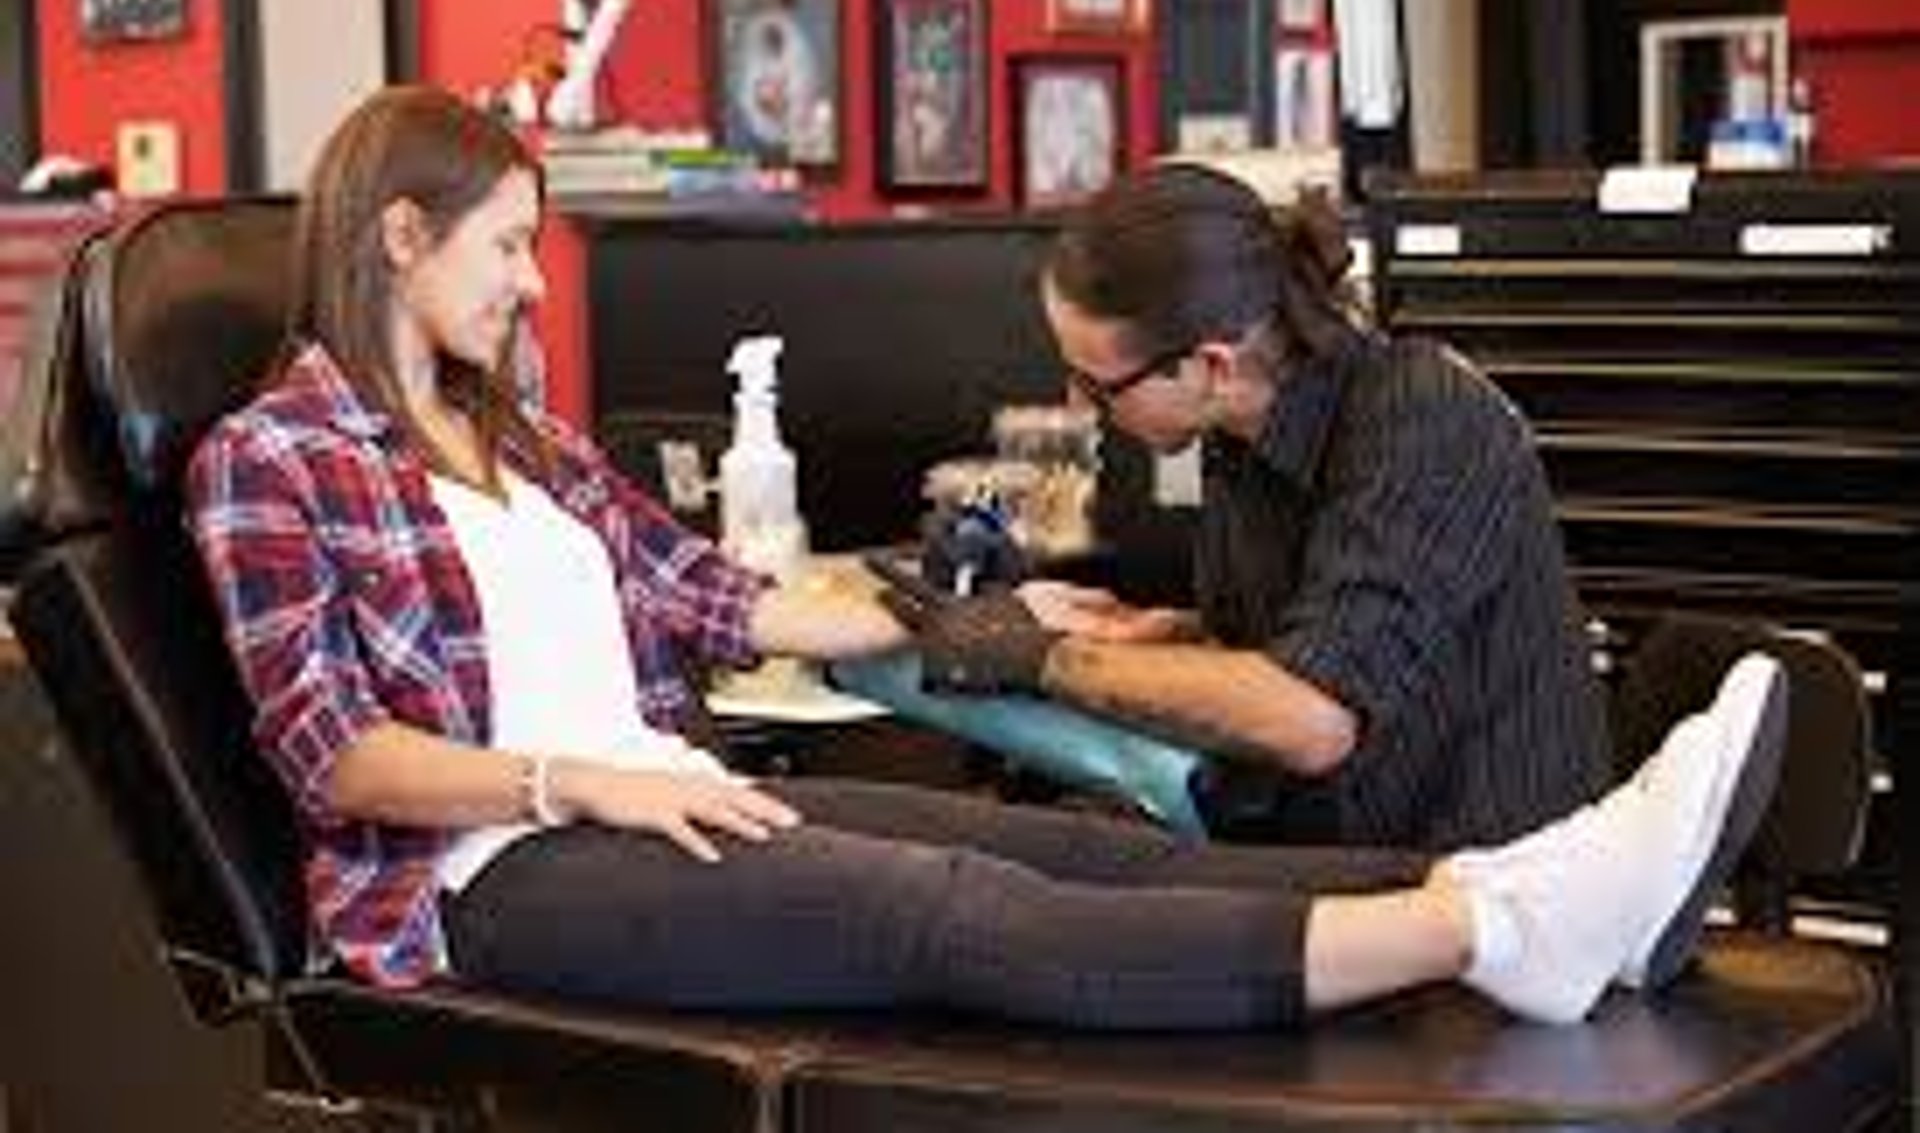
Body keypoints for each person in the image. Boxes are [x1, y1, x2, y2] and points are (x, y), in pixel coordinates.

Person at [187, 84, 1784, 1031]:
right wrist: (578, 782)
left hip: (653, 794)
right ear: (399, 238)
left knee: (1085, 853)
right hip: (487, 875)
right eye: (510, 244)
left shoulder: (524, 441)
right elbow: (342, 758)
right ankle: (1490, 928)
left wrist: (979, 616)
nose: (536, 286)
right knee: (938, 901)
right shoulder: (273, 461)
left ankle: (1544, 892)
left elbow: (724, 595)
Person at [885, 164, 1610, 850]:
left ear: (1212, 365)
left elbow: (1311, 715)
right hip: (1340, 851)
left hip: (1483, 896)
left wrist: (1044, 658)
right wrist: (1163, 635)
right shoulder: (1238, 436)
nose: (1083, 405)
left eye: (1101, 384)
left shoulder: (1425, 421)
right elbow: (1322, 632)